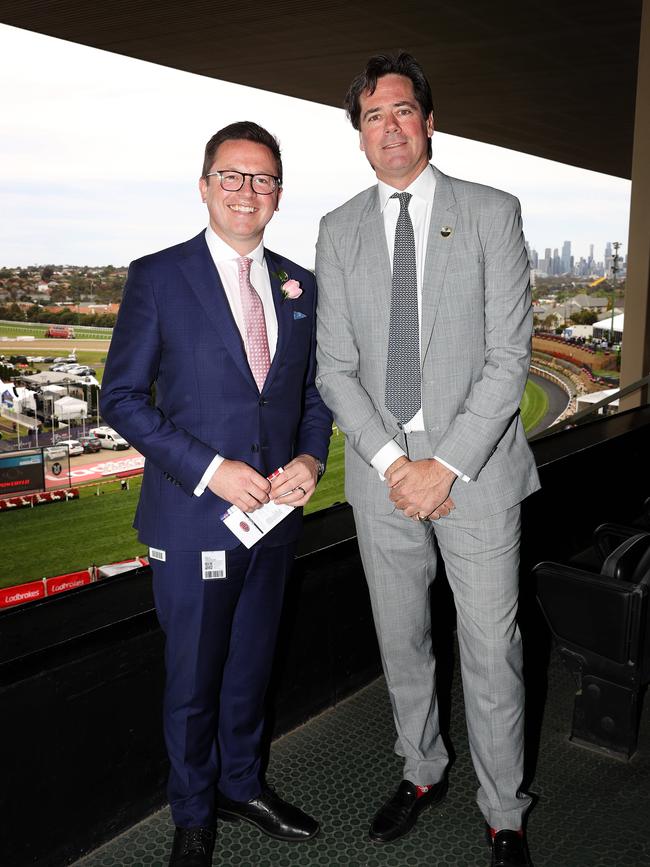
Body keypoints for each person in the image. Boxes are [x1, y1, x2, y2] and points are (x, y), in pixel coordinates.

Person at [315, 53, 540, 867]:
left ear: (430, 121)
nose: (391, 127)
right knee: (402, 640)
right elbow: (334, 367)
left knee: (490, 649)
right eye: (374, 117)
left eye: (403, 111)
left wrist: (442, 465)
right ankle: (421, 770)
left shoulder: (491, 212)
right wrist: (392, 462)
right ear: (361, 136)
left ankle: (504, 810)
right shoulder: (338, 230)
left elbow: (510, 357)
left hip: (473, 476)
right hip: (382, 482)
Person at [101, 121, 332, 867]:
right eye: (231, 176)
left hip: (274, 521)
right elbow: (123, 399)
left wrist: (310, 454)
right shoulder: (159, 276)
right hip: (197, 513)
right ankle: (193, 811)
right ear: (204, 186)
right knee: (194, 677)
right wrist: (211, 468)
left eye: (261, 179)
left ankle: (241, 784)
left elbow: (314, 394)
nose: (246, 191)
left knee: (251, 667)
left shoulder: (303, 285)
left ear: (278, 195)